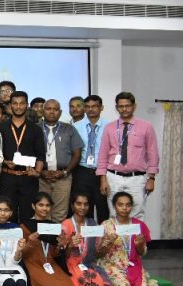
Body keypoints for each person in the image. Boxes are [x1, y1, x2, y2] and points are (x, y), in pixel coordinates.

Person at [99, 191, 158, 286]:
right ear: (114, 206)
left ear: (131, 207)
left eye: (127, 205)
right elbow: (98, 253)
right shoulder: (106, 225)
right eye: (120, 205)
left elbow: (142, 253)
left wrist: (139, 245)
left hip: (134, 266)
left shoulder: (139, 225)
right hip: (112, 265)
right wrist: (108, 243)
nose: (124, 208)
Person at [20, 192, 78, 286]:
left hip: (50, 264)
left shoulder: (54, 227)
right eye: (41, 205)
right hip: (33, 264)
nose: (44, 208)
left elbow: (56, 254)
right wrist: (30, 243)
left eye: (47, 205)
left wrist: (61, 246)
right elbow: (22, 254)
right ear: (33, 206)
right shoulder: (25, 226)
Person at [97, 92, 159, 220]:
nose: (124, 109)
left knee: (137, 214)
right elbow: (103, 154)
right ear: (116, 107)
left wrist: (151, 178)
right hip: (113, 177)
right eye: (121, 106)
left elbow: (153, 154)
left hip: (137, 179)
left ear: (134, 106)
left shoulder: (146, 127)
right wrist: (103, 179)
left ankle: (134, 235)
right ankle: (117, 235)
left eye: (127, 106)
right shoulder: (109, 128)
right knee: (114, 214)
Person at [0, 91, 44, 222]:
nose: (18, 106)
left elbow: (40, 155)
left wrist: (37, 172)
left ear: (27, 105)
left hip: (28, 177)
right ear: (10, 105)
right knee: (7, 215)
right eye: (15, 103)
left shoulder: (35, 129)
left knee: (28, 215)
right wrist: (5, 161)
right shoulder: (1, 128)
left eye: (22, 103)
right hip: (7, 177)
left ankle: (26, 236)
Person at [38, 99, 83, 221]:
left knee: (60, 213)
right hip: (41, 178)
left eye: (55, 109)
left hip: (63, 177)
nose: (52, 112)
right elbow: (29, 153)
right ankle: (44, 234)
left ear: (60, 112)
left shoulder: (69, 129)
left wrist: (64, 172)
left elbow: (77, 154)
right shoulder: (35, 129)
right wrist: (40, 172)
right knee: (42, 212)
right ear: (43, 111)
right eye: (48, 109)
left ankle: (57, 234)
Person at [73, 94, 110, 222]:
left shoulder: (109, 126)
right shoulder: (76, 127)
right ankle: (86, 234)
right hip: (82, 172)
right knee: (83, 207)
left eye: (94, 106)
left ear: (101, 108)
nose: (91, 109)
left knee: (103, 208)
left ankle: (104, 234)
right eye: (87, 106)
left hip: (102, 172)